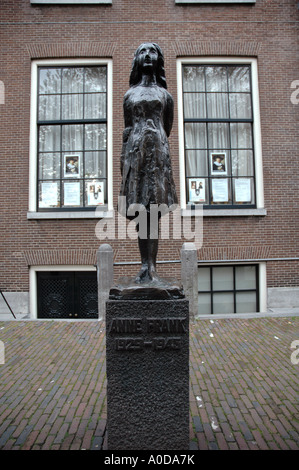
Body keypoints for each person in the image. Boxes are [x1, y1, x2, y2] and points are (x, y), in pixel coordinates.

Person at [119, 43, 178, 283]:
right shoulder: (129, 95)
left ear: (159, 60)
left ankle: (151, 267)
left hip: (158, 157)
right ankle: (144, 265)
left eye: (152, 52)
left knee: (153, 211)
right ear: (136, 59)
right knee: (140, 211)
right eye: (142, 52)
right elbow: (128, 128)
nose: (147, 56)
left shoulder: (165, 96)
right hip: (135, 156)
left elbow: (168, 127)